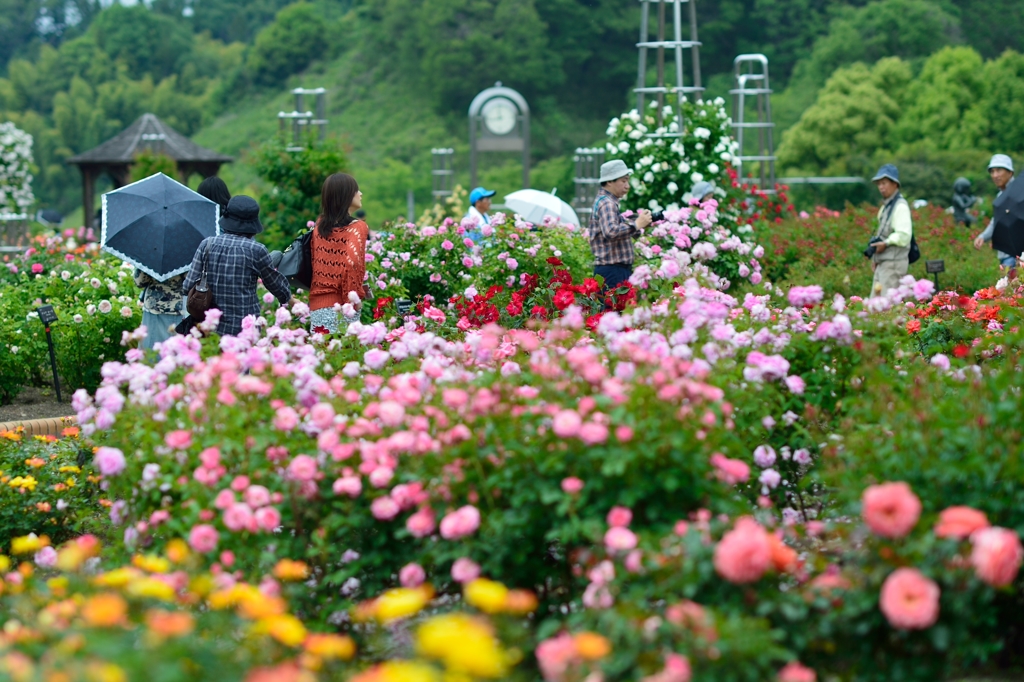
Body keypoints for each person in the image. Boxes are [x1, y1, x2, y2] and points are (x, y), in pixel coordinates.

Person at [182, 195, 292, 336]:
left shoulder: (207, 245)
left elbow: (187, 286)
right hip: (244, 331)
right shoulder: (256, 250)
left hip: (209, 330)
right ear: (253, 224)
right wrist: (289, 300)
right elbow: (277, 286)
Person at [308, 173, 370, 335]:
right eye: (357, 190)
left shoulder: (320, 226)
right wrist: (352, 301)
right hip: (342, 309)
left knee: (320, 358)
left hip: (317, 308)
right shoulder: (358, 227)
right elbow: (351, 264)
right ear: (346, 195)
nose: (360, 194)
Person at [589, 159, 652, 290]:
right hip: (612, 271)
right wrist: (636, 224)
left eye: (627, 181)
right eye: (623, 181)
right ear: (610, 181)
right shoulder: (607, 203)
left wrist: (640, 225)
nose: (627, 186)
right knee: (613, 310)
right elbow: (611, 231)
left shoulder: (608, 201)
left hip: (615, 270)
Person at [868, 164, 913, 296]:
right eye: (879, 184)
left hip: (893, 264)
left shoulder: (900, 206)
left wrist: (886, 243)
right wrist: (876, 258)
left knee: (888, 307)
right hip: (883, 263)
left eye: (884, 183)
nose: (881, 187)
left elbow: (904, 235)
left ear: (895, 184)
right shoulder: (886, 206)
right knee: (875, 306)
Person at [973, 154, 1017, 275]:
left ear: (1010, 172)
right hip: (1006, 255)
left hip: (1016, 256)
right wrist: (983, 236)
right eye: (992, 171)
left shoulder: (1018, 195)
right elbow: (996, 221)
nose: (995, 175)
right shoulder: (1001, 196)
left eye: (999, 170)